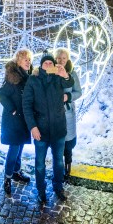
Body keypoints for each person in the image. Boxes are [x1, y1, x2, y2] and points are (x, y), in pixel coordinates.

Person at [22, 53, 73, 205]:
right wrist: (33, 127)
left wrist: (65, 75)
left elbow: (70, 83)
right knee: (39, 164)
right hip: (41, 132)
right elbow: (27, 106)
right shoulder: (33, 80)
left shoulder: (58, 77)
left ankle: (58, 187)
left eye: (51, 63)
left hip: (58, 130)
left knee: (58, 162)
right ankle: (41, 191)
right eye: (46, 63)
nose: (49, 65)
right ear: (41, 65)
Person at [0, 49, 32, 196]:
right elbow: (2, 95)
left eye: (29, 60)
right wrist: (12, 110)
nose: (28, 62)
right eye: (26, 60)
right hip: (13, 120)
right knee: (14, 149)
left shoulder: (26, 75)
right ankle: (8, 177)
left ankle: (16, 172)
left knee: (20, 147)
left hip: (22, 119)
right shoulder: (13, 77)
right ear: (18, 61)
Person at [56, 48, 82, 180]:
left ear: (67, 60)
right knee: (57, 143)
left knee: (68, 143)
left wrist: (68, 96)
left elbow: (79, 92)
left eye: (63, 58)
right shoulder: (51, 73)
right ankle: (58, 166)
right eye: (58, 58)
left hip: (67, 113)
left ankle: (68, 165)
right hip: (54, 114)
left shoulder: (72, 74)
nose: (61, 61)